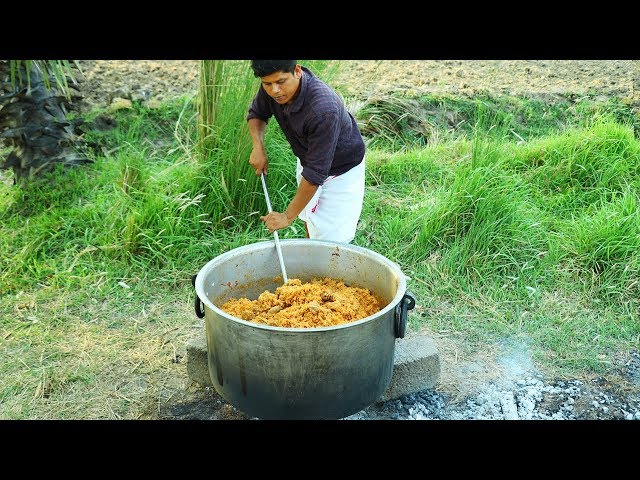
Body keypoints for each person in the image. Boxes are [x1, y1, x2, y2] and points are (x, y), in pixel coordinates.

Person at [246, 60, 366, 244]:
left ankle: (326, 268)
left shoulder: (323, 110)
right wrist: (258, 147)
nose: (274, 91)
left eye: (280, 82)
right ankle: (310, 260)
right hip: (309, 158)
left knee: (332, 241)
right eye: (267, 84)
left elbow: (315, 174)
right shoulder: (273, 87)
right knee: (309, 220)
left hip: (342, 170)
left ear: (297, 71)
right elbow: (257, 114)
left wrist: (286, 217)